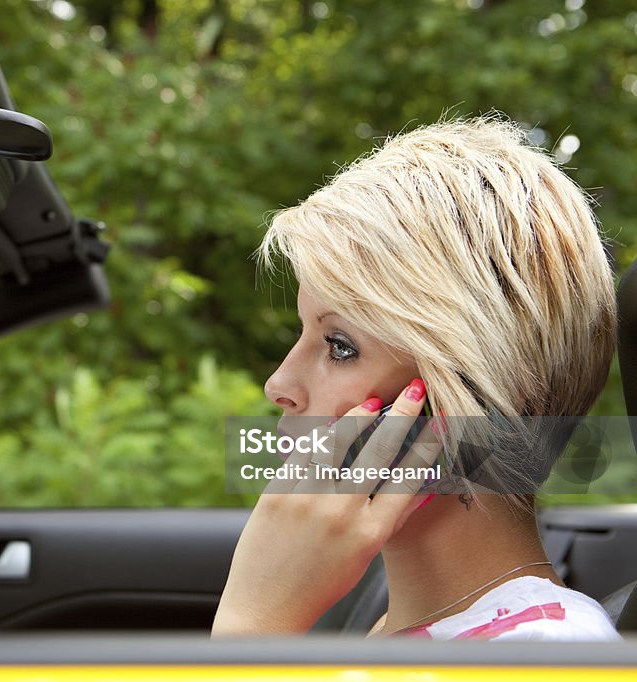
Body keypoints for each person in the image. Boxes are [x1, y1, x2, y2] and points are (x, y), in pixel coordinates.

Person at [211, 116, 621, 641]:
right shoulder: (402, 627)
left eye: (340, 347)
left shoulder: (542, 652)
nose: (278, 384)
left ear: (477, 396)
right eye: (304, 334)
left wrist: (254, 623)